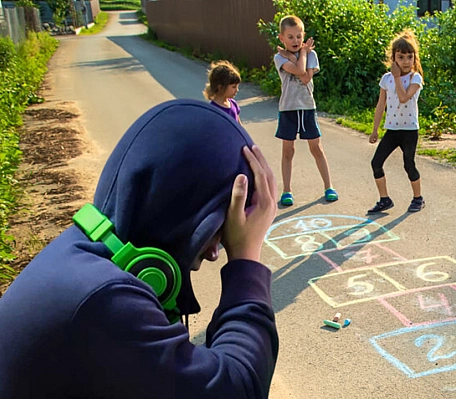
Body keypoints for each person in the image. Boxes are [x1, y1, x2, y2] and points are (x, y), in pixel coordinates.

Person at [0, 99, 280, 398]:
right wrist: (246, 258)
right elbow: (237, 389)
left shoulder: (81, 256)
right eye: (215, 231)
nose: (214, 252)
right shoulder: (105, 301)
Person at [274, 15, 338, 206]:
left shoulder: (311, 55)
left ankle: (329, 186)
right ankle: (287, 190)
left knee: (316, 147)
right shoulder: (279, 57)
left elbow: (304, 77)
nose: (295, 41)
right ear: (282, 38)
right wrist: (300, 55)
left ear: (303, 36)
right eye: (290, 37)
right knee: (288, 150)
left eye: (299, 37)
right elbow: (300, 70)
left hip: (307, 108)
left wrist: (297, 56)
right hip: (288, 109)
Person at [368, 29, 425, 214]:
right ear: (394, 58)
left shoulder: (415, 78)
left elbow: (403, 97)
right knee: (376, 162)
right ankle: (384, 199)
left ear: (414, 58)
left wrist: (398, 77)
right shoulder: (386, 79)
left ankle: (418, 198)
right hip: (392, 129)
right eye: (401, 57)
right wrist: (375, 129)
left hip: (409, 130)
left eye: (410, 57)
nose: (406, 61)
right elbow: (380, 104)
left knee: (409, 164)